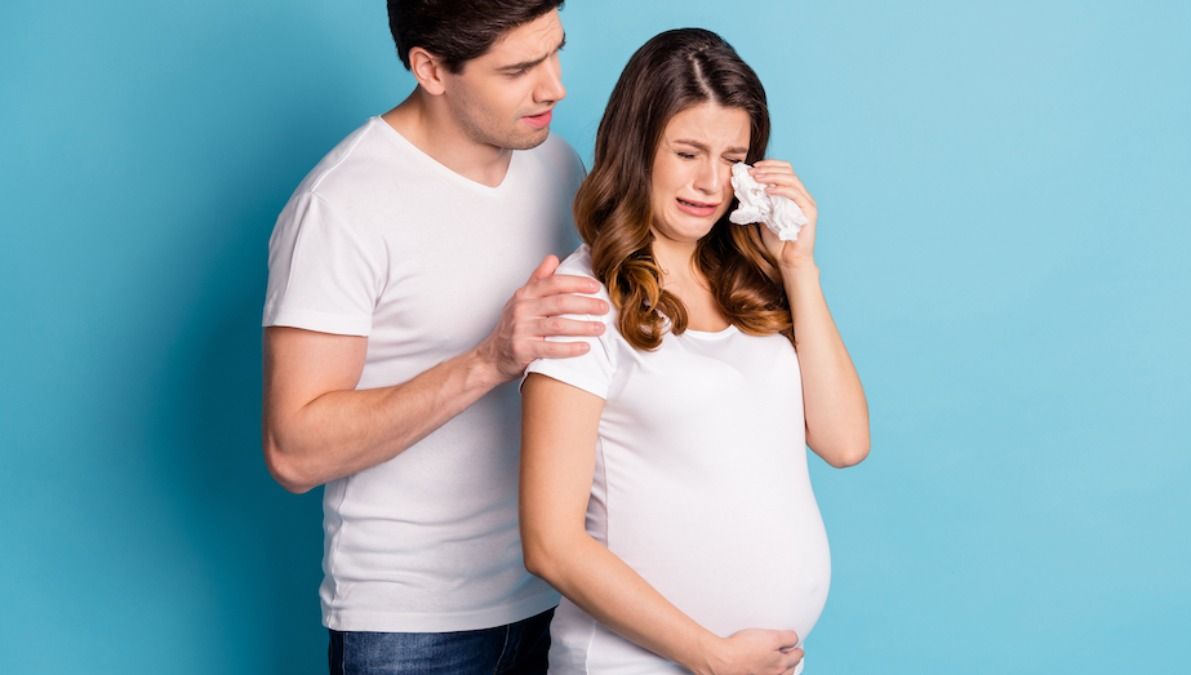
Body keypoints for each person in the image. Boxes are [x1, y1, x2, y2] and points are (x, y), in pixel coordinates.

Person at [260, 2, 609, 672]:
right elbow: (292, 449)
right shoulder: (340, 206)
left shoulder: (559, 166)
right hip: (412, 626)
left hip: (562, 595)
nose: (555, 86)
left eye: (555, 52)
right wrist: (490, 358)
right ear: (430, 69)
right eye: (519, 69)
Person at [520, 28, 871, 674]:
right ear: (637, 147)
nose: (710, 182)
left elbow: (844, 441)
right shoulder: (585, 296)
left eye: (731, 156)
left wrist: (799, 265)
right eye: (687, 152)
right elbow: (550, 541)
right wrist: (709, 655)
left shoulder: (753, 278)